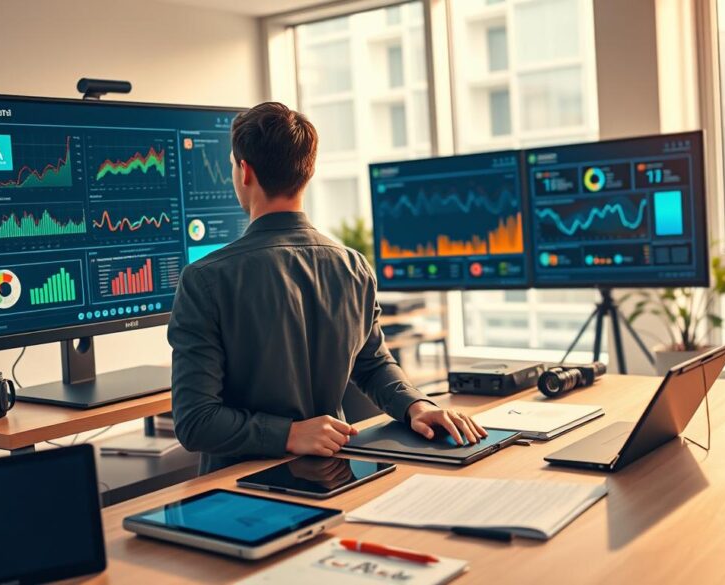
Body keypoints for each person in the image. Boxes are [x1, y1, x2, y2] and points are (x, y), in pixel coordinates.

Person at [168, 102, 487, 474]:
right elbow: (374, 364)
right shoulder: (353, 266)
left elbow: (195, 422)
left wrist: (415, 406)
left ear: (245, 171)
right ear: (308, 171)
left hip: (240, 489)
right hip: (334, 477)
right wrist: (416, 404)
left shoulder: (204, 278)